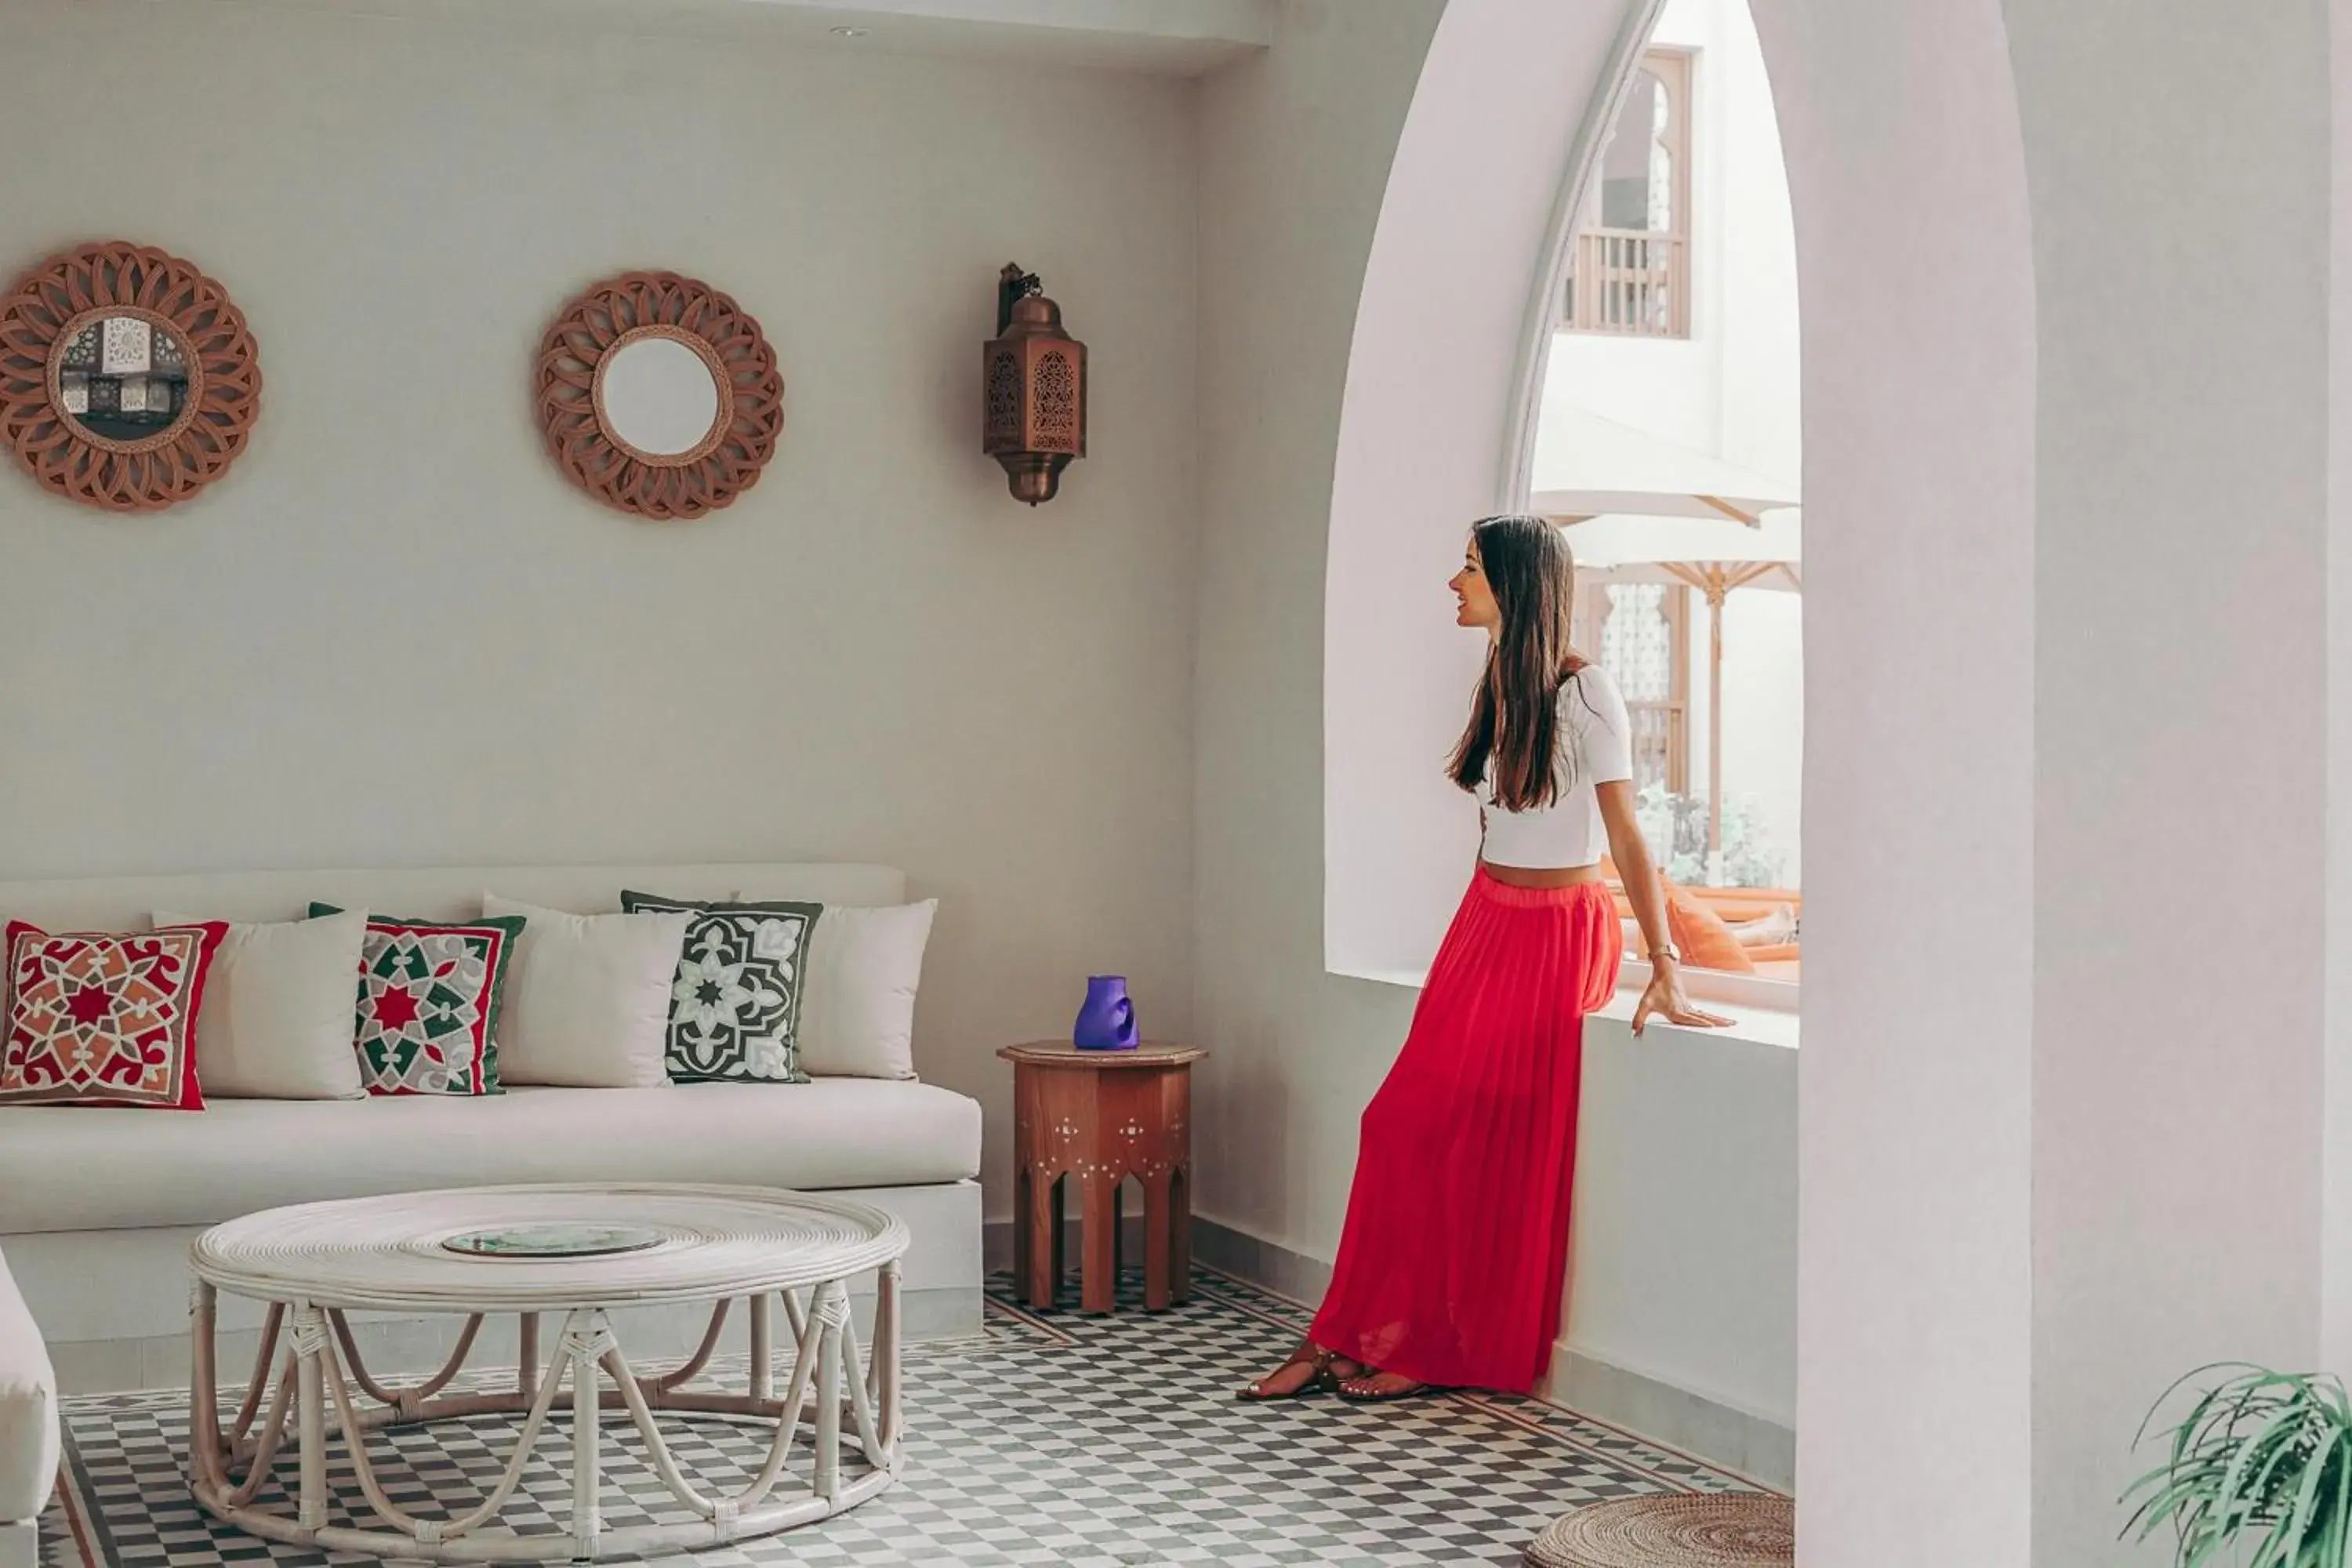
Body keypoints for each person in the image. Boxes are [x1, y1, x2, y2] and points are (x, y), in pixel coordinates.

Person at [1241, 514, 1730, 1403]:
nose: (1453, 583)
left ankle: (1422, 1343)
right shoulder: (1502, 680)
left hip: (1552, 930)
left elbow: (1625, 833)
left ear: (1514, 582)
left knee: (1467, 1140)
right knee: (1395, 1122)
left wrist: (1665, 959)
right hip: (1486, 920)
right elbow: (1499, 824)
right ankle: (1345, 1333)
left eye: (1469, 568)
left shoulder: (1588, 694)